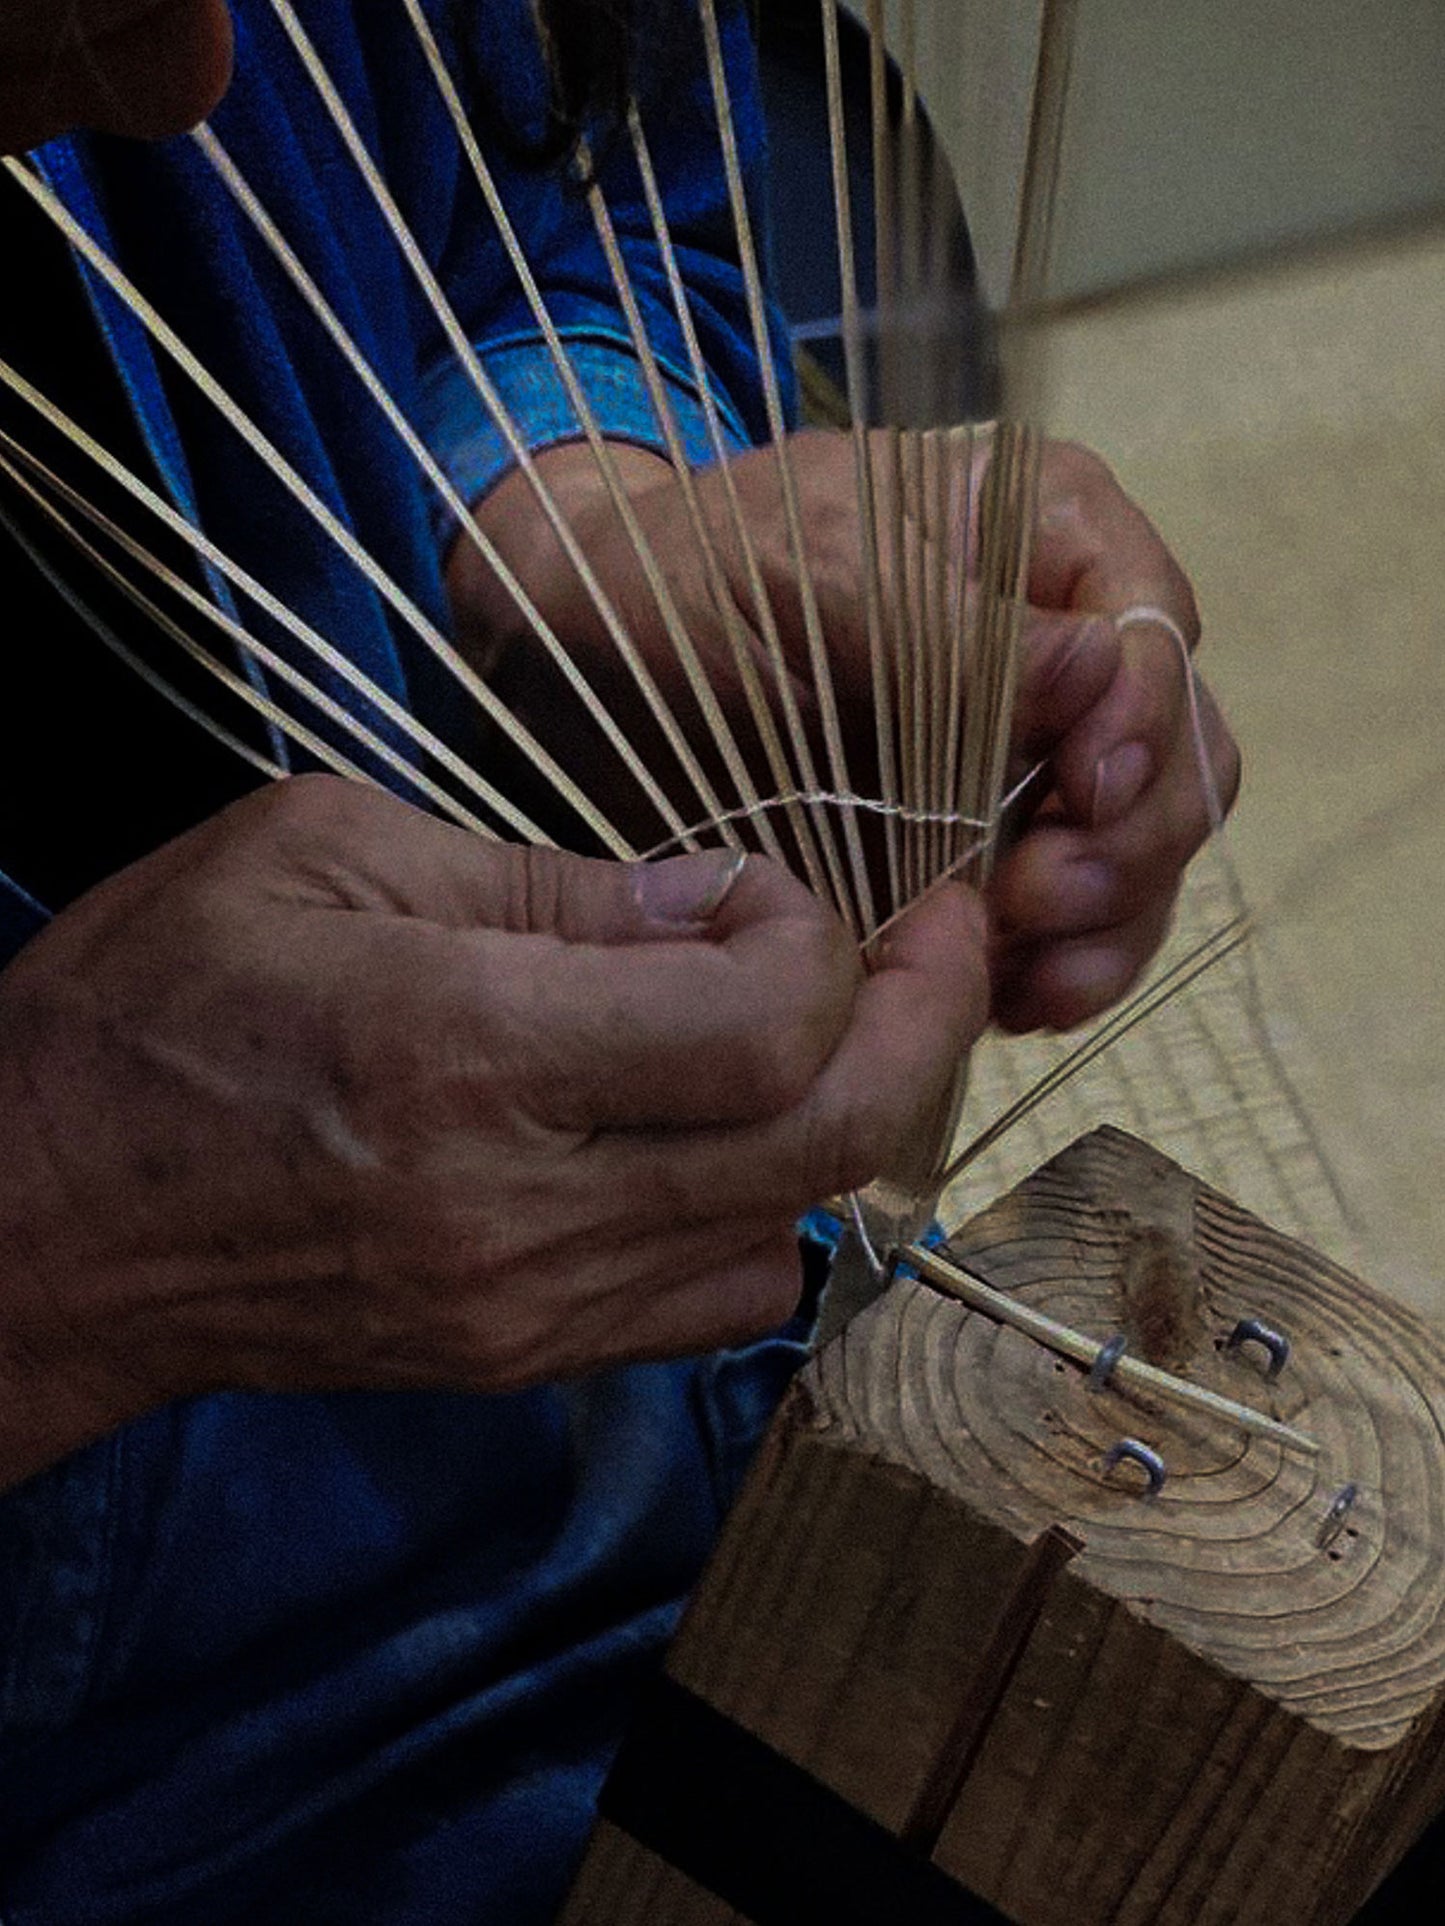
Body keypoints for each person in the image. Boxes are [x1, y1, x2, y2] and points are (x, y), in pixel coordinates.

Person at [0, 3, 1237, 1920]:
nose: (188, 81)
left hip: (640, 1495)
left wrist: (580, 507)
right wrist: (50, 1236)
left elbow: (570, 155)